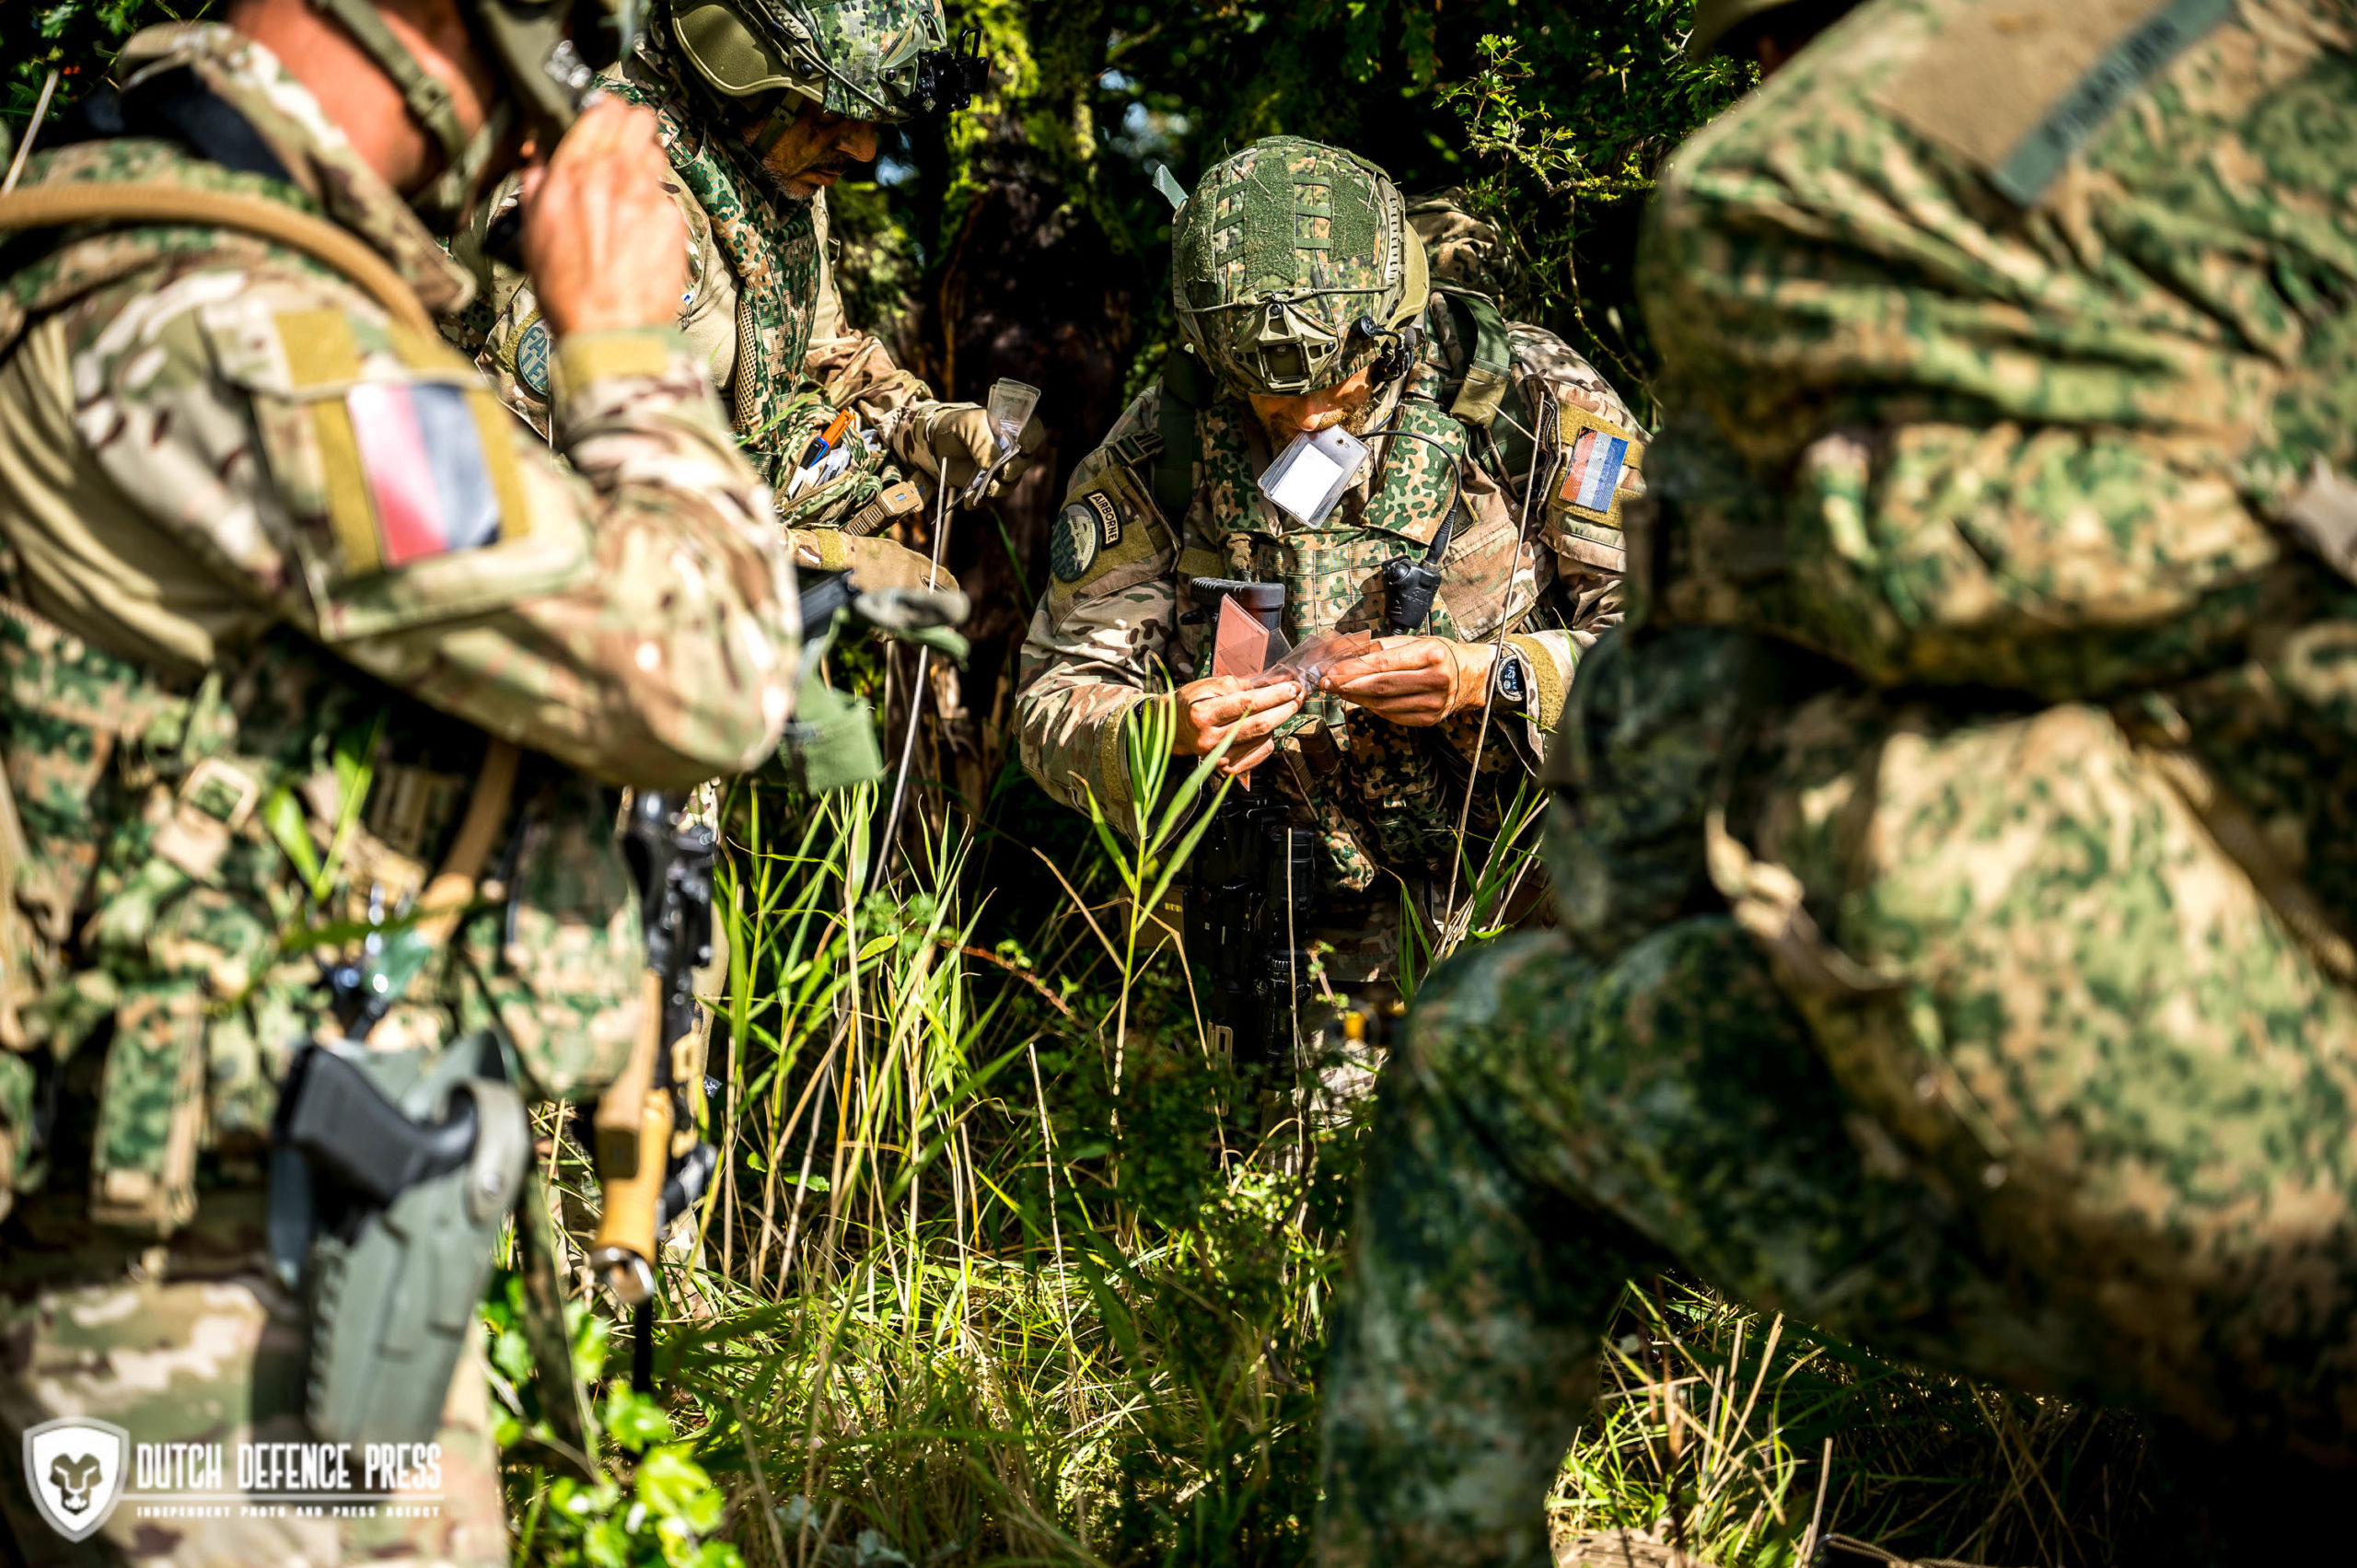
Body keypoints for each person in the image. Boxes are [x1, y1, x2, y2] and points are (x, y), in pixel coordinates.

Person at [1316, 0, 2357, 1562]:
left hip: (2282, 1194)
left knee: (1490, 1060)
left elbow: (1642, 799)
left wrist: (1501, 684)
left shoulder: (1816, 203)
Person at [0, 0, 797, 1557]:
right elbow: (703, 666)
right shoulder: (241, 328)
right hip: (199, 1338)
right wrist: (627, 348)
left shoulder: (187, 258)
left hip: (266, 1270)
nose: (539, 123)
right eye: (551, 47)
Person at [1013, 136, 1644, 1115]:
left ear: (1390, 326)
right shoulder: (1161, 446)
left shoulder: (1524, 398)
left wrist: (1496, 676)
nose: (1308, 418)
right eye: (1270, 391)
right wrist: (1153, 734)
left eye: (1339, 381)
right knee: (1332, 1189)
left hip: (1540, 883)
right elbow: (1054, 699)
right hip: (1318, 929)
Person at [445, 0, 1037, 591]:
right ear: (742, 74)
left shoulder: (773, 168)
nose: (864, 151)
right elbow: (520, 487)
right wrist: (816, 558)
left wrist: (928, 428)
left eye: (875, 123)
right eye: (836, 112)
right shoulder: (608, 196)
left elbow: (822, 349)